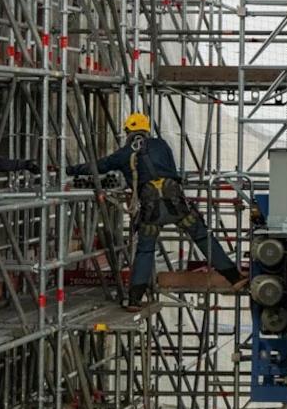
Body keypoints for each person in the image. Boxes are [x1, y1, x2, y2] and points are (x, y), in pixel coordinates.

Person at [67, 113, 245, 307]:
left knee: (145, 251)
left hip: (151, 210)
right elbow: (172, 171)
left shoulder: (125, 153)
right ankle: (234, 278)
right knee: (203, 237)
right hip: (176, 204)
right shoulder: (161, 144)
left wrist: (69, 170)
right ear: (146, 130)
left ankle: (134, 299)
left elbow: (97, 167)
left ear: (129, 132)